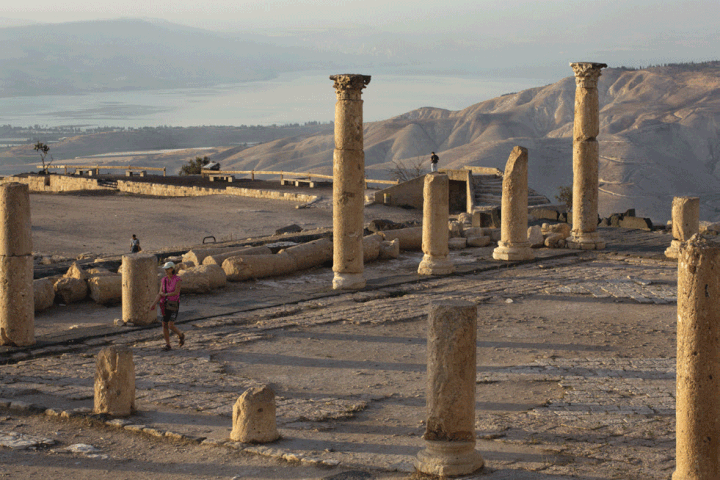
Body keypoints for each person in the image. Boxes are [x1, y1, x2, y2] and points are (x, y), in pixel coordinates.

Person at [149, 261, 185, 351]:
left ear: (172, 269)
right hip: (164, 304)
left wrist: (165, 294)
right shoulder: (163, 280)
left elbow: (176, 292)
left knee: (171, 325)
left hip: (173, 304)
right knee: (164, 324)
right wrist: (153, 304)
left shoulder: (178, 280)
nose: (165, 270)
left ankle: (181, 335)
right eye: (165, 269)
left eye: (167, 269)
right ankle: (168, 344)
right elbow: (160, 293)